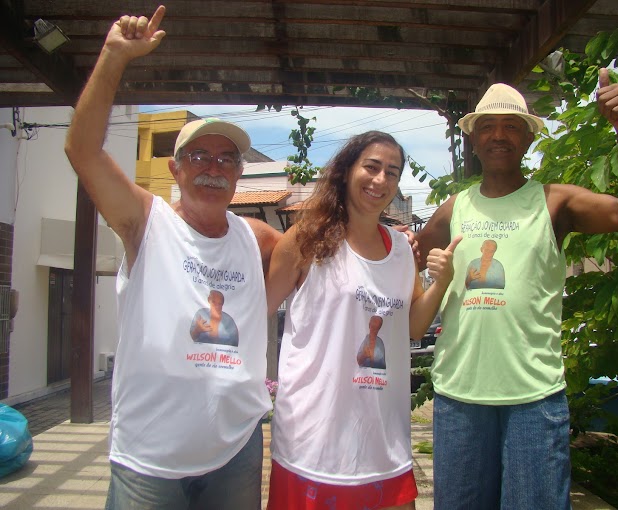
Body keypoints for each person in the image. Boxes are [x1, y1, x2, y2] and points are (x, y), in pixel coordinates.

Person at [64, 6, 281, 509]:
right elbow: (82, 149)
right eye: (199, 157)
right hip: (150, 463)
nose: (214, 168)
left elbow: (319, 247)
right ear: (174, 169)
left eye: (227, 159)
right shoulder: (147, 221)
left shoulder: (256, 237)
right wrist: (115, 56)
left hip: (235, 454)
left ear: (238, 174)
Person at [416, 75, 618, 509]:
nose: (499, 135)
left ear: (529, 138)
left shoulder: (554, 202)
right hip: (460, 398)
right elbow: (403, 259)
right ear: (472, 139)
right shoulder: (454, 208)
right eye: (488, 126)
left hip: (533, 399)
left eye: (512, 126)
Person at [265, 131, 459, 510]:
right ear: (346, 170)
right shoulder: (305, 239)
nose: (381, 180)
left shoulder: (403, 249)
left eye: (393, 172)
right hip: (311, 442)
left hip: (382, 440)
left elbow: (413, 327)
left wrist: (442, 282)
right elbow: (260, 313)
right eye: (371, 167)